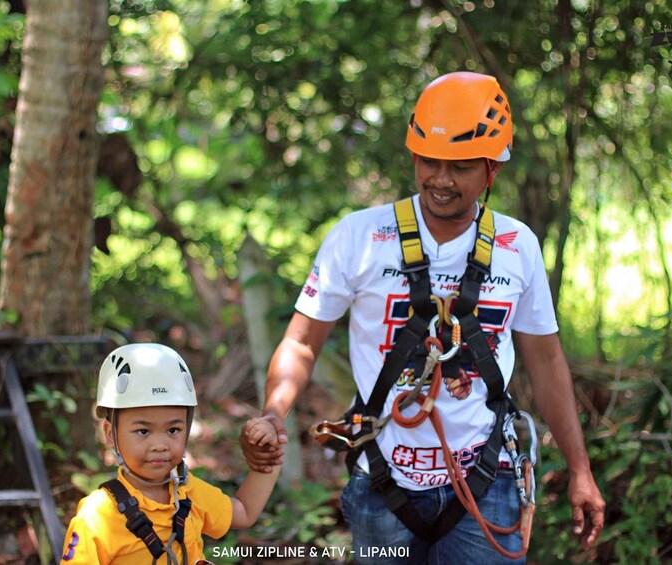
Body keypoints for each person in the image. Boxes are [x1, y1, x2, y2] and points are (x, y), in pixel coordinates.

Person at [240, 72, 605, 563]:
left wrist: (580, 469)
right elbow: (302, 343)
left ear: (492, 169)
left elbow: (545, 359)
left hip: (486, 478)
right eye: (429, 161)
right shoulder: (361, 237)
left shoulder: (517, 246)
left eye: (459, 167)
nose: (440, 179)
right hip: (383, 479)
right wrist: (273, 411)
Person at [62, 343, 281, 565]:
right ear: (111, 434)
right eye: (143, 431)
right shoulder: (98, 516)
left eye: (173, 430)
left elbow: (244, 511)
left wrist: (269, 456)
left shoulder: (189, 493)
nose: (160, 445)